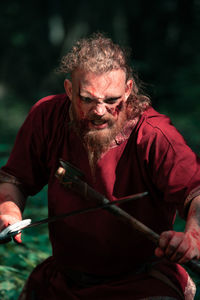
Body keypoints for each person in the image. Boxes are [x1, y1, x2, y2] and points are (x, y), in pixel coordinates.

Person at [0, 33, 200, 300]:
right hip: (64, 280)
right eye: (87, 99)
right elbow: (15, 179)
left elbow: (196, 194)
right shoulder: (47, 117)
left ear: (128, 90)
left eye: (111, 100)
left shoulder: (154, 135)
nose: (100, 111)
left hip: (141, 282)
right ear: (70, 91)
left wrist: (193, 236)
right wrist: (8, 210)